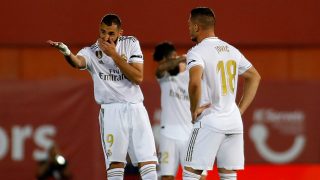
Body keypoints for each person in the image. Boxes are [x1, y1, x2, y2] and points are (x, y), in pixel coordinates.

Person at [47, 14, 158, 180]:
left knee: (148, 161)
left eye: (111, 33)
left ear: (120, 32)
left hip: (136, 107)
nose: (106, 37)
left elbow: (138, 77)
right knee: (116, 163)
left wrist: (114, 55)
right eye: (103, 32)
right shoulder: (91, 52)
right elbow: (78, 62)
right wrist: (67, 53)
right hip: (111, 110)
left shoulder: (131, 43)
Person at [183, 7, 261, 180]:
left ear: (196, 27)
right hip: (233, 122)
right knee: (228, 176)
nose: (188, 28)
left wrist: (193, 109)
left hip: (210, 119)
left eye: (189, 24)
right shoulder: (231, 50)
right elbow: (255, 77)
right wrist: (239, 111)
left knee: (190, 173)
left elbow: (194, 83)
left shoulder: (196, 52)